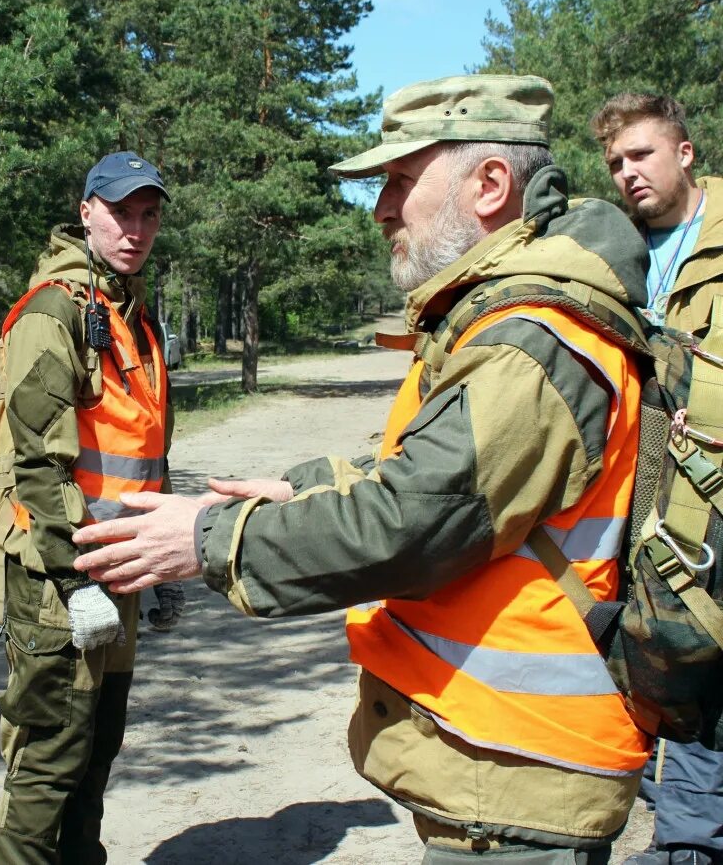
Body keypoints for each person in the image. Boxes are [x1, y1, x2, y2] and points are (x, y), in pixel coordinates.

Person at [72, 75, 655, 863]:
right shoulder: (508, 317)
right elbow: (443, 474)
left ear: (489, 186)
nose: (381, 209)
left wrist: (212, 540)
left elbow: (416, 519)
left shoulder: (533, 338)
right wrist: (303, 488)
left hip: (522, 771)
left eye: (401, 181)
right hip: (498, 764)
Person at [0, 151, 180, 864]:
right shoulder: (54, 313)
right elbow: (35, 465)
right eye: (121, 212)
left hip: (119, 568)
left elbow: (142, 454)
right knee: (48, 763)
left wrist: (155, 564)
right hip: (58, 577)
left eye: (148, 214)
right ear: (87, 210)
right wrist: (73, 583)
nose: (135, 229)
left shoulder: (132, 314)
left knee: (96, 754)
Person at [592, 91, 723, 865]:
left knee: (698, 651)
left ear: (685, 152)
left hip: (711, 490)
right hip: (638, 485)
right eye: (614, 162)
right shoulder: (615, 249)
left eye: (640, 154)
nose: (627, 173)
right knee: (651, 647)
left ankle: (687, 841)